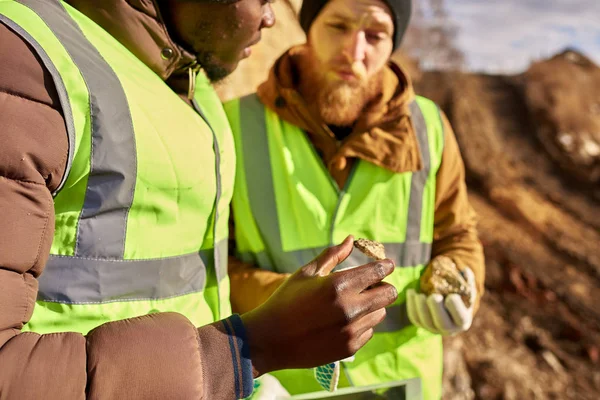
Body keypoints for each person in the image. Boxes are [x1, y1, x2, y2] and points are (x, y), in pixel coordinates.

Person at [0, 1, 400, 399]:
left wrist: (246, 381)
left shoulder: (197, 87)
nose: (270, 18)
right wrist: (246, 350)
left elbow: (195, 283)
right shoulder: (23, 57)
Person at [224, 0, 486, 398]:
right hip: (280, 384)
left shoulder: (430, 129)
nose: (355, 50)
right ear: (307, 27)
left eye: (375, 34)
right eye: (338, 25)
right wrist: (287, 307)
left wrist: (462, 282)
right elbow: (208, 264)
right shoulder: (233, 126)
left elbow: (457, 233)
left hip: (402, 385)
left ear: (393, 42)